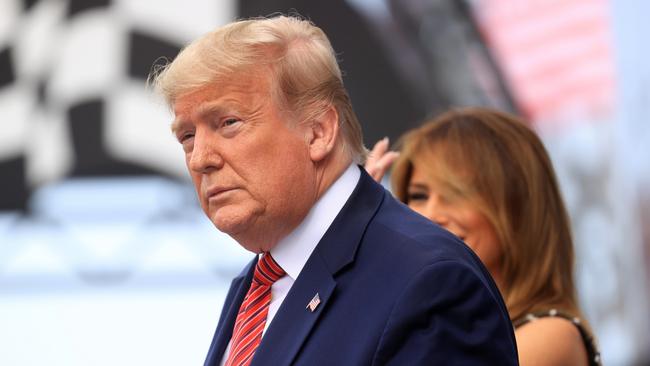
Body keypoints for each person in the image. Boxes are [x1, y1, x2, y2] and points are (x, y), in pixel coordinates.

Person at [151, 16, 517, 366]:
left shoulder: (429, 282)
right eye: (187, 136)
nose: (200, 159)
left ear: (318, 132)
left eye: (228, 123)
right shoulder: (252, 286)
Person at [369, 107, 600, 366]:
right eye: (419, 196)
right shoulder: (436, 329)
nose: (431, 214)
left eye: (457, 194)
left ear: (518, 207)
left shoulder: (551, 335)